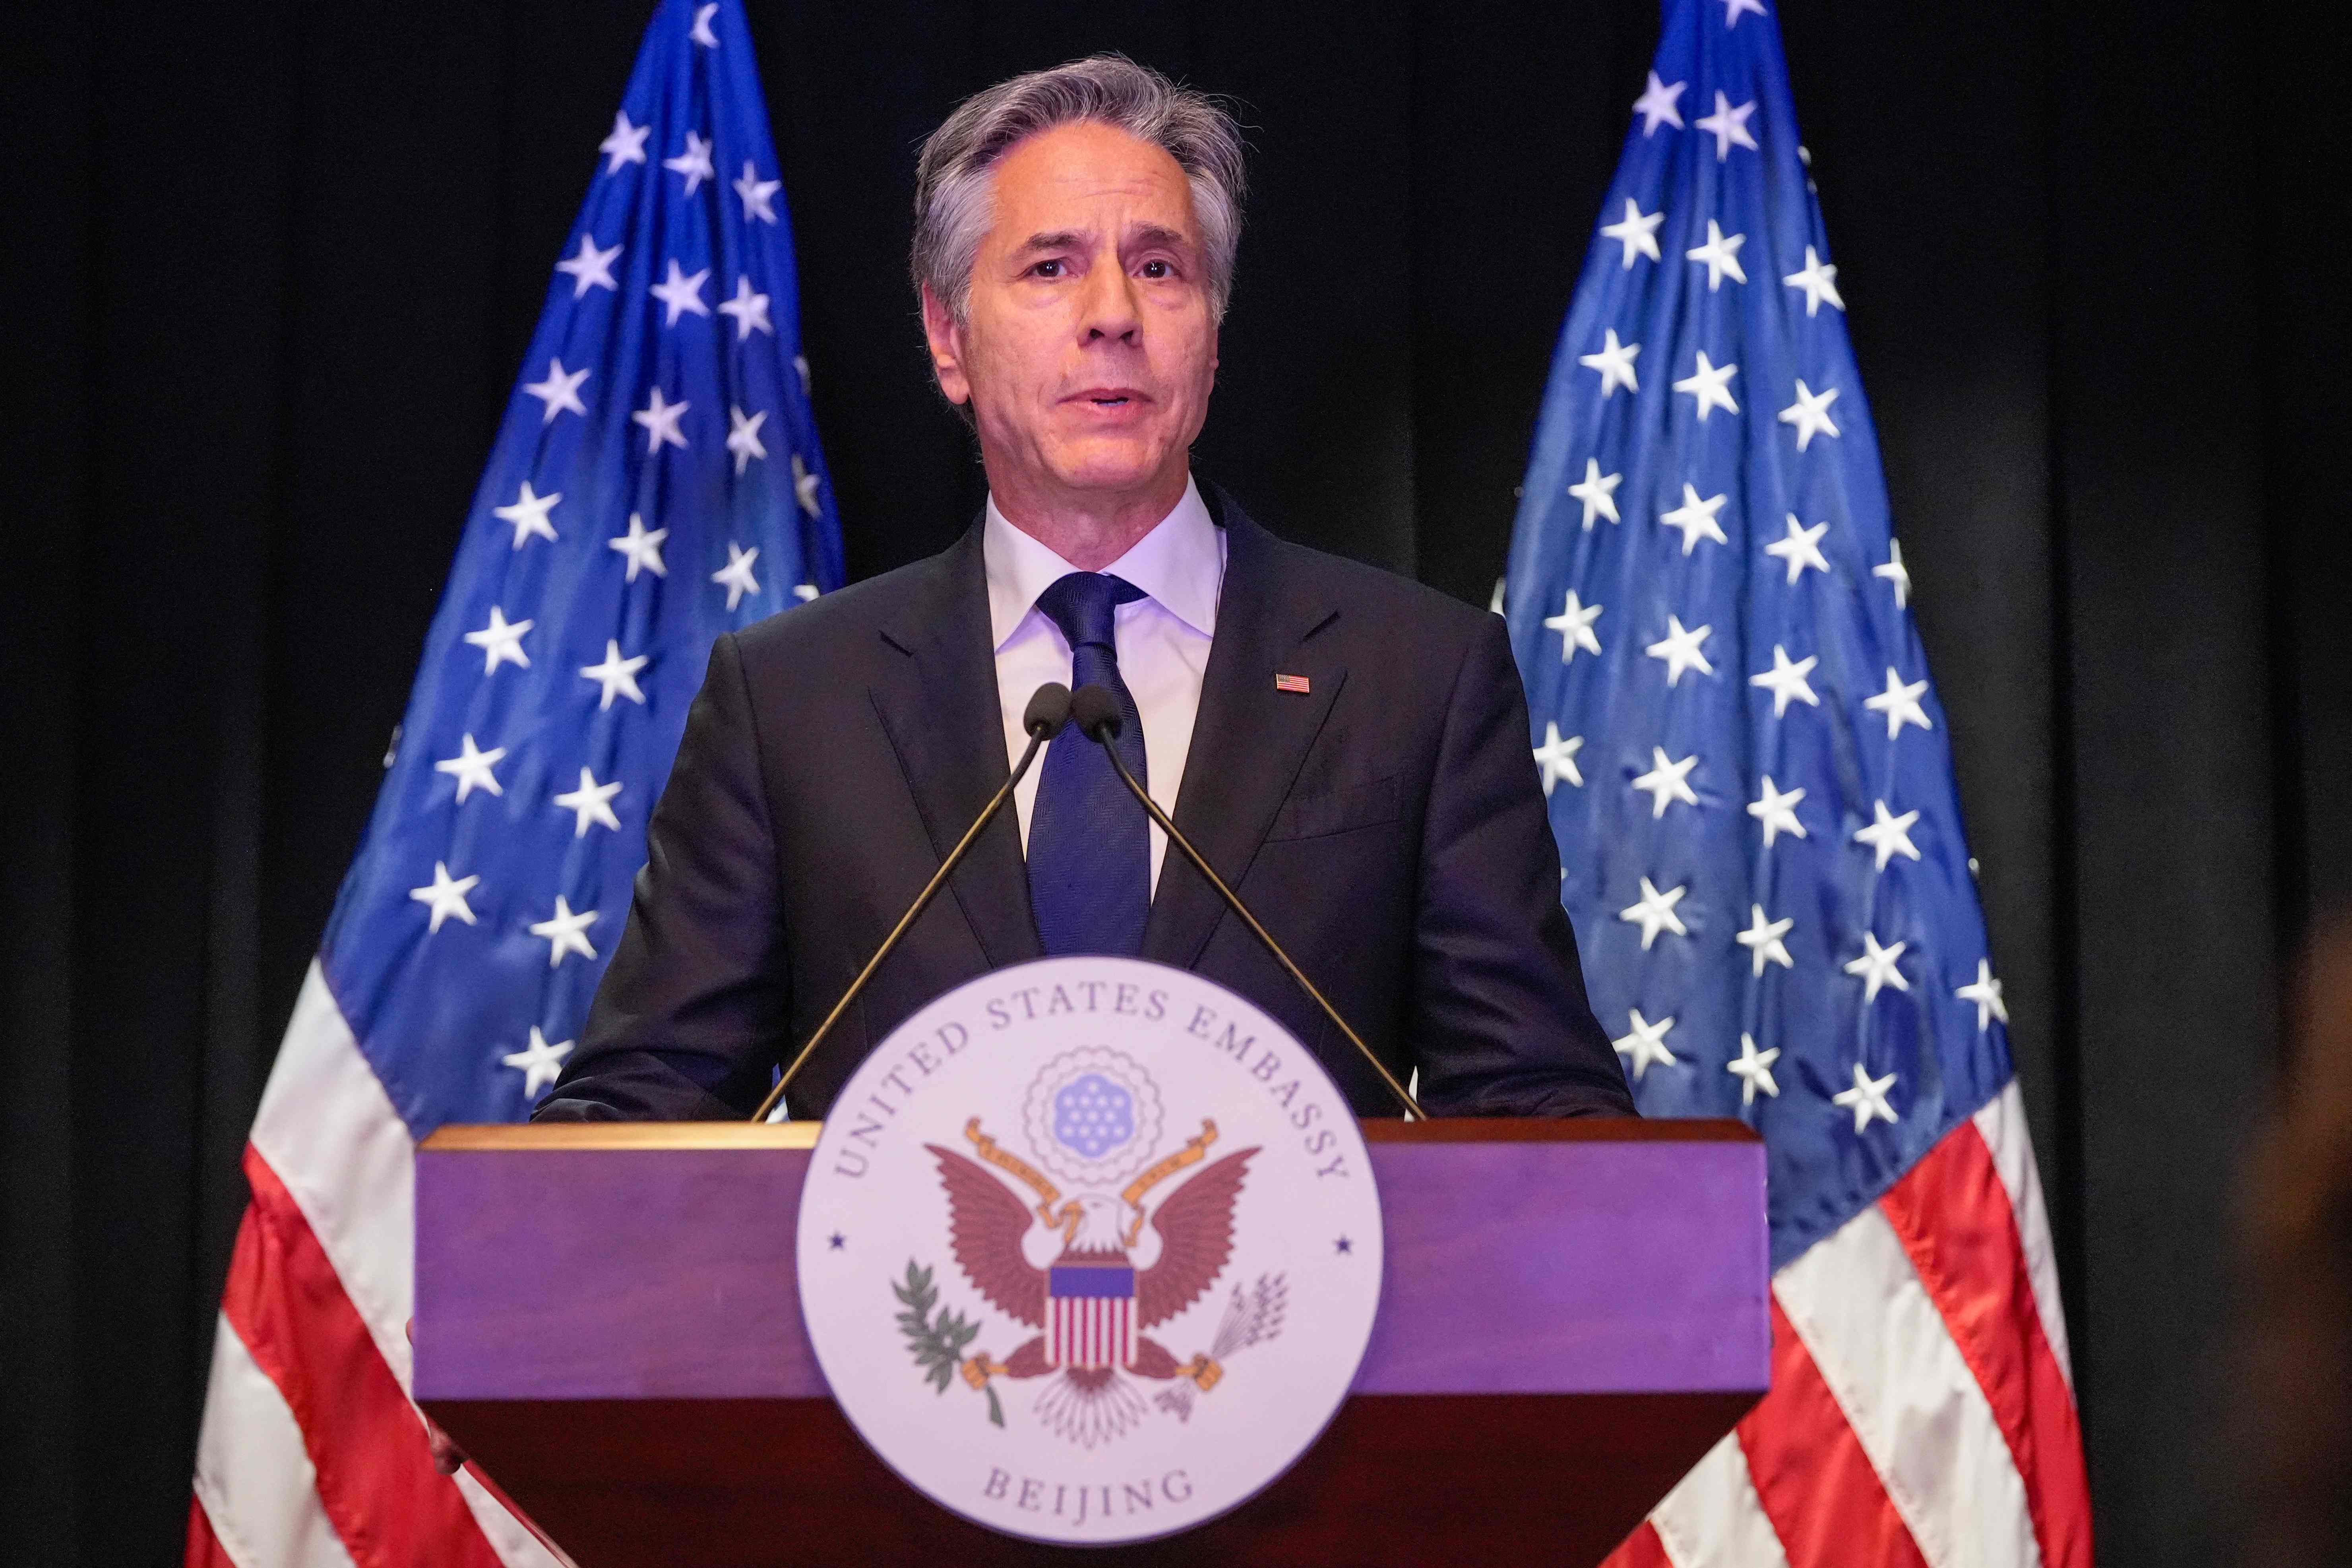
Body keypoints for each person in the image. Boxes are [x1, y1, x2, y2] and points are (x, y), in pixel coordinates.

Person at [536, 56, 1633, 1123]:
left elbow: (1541, 1112)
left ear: (1211, 337)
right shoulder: (789, 700)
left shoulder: (1417, 678)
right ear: (947, 337)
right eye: (1051, 268)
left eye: (1159, 268)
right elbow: (642, 1108)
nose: (1113, 313)